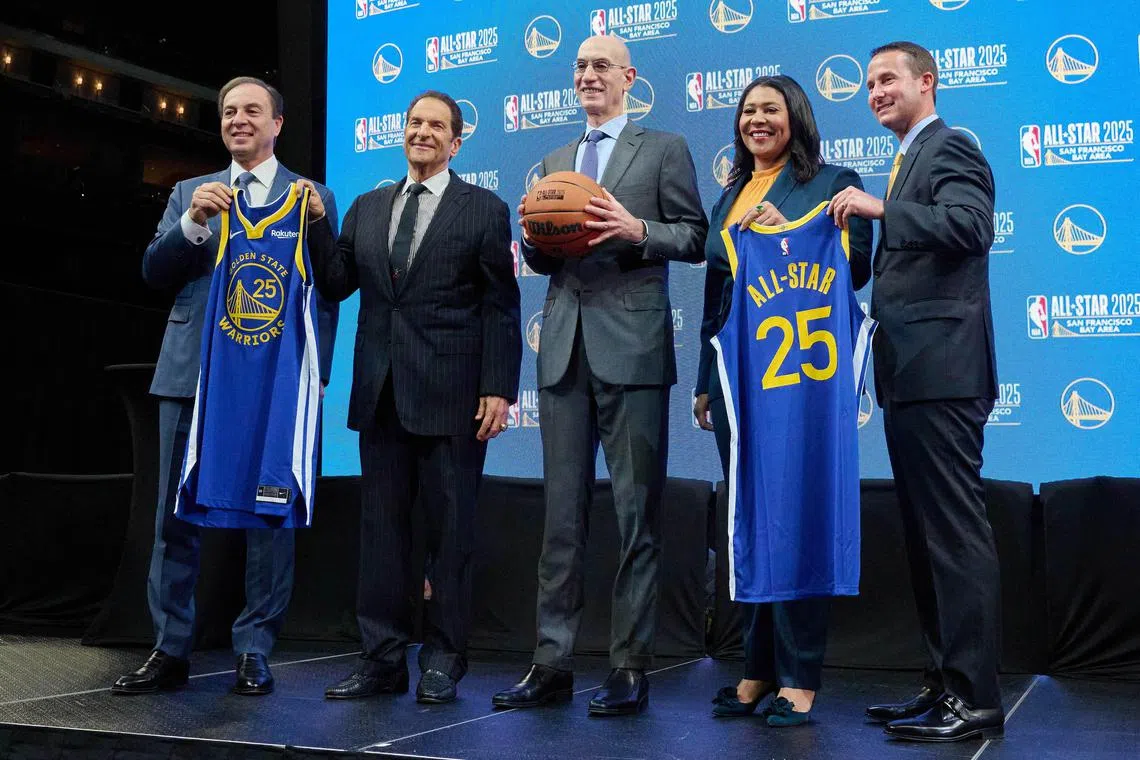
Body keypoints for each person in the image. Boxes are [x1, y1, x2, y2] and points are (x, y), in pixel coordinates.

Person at [492, 34, 707, 716]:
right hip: (562, 349)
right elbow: (546, 259)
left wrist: (635, 227)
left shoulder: (664, 149)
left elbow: (694, 236)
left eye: (601, 66)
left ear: (628, 77)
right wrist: (534, 238)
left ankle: (629, 666)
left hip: (633, 349)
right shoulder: (554, 163)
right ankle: (551, 662)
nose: (588, 75)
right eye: (580, 66)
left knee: (636, 514)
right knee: (561, 516)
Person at [113, 76, 339, 697]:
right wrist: (191, 223)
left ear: (277, 124)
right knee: (173, 515)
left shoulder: (310, 196)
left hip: (271, 381)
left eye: (252, 110)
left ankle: (255, 649)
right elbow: (154, 272)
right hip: (191, 376)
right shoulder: (192, 193)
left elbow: (327, 288)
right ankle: (169, 648)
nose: (239, 119)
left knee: (269, 515)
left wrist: (314, 374)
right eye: (229, 111)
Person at [310, 90, 521, 705]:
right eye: (413, 123)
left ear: (456, 141)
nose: (421, 132)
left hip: (454, 398)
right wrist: (317, 223)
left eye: (435, 126)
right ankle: (380, 660)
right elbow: (335, 282)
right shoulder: (367, 206)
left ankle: (444, 661)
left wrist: (499, 387)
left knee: (450, 536)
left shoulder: (483, 208)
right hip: (381, 395)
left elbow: (501, 306)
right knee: (381, 535)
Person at [827, 41, 1002, 742]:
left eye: (888, 79)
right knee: (928, 540)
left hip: (944, 373)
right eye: (869, 83)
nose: (875, 91)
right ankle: (943, 685)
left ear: (927, 82)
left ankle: (976, 699)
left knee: (954, 537)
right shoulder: (905, 161)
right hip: (910, 374)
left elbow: (972, 227)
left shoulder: (950, 146)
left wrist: (881, 209)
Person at [693, 75, 872, 726]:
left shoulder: (832, 182)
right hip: (740, 379)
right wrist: (705, 381)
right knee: (751, 517)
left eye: (770, 108)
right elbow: (718, 295)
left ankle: (799, 677)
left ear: (796, 116)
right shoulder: (730, 194)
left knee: (796, 519)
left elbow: (856, 268)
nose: (756, 120)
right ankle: (758, 668)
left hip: (800, 383)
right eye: (747, 111)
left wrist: (789, 231)